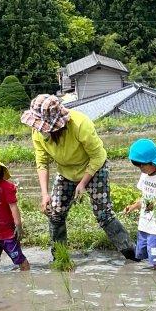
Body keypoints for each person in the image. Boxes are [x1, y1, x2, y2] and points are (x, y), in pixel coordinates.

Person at [21, 94, 137, 261]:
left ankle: (132, 255)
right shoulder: (37, 131)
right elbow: (42, 162)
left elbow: (97, 156)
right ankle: (60, 259)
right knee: (55, 213)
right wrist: (45, 193)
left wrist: (83, 183)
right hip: (66, 172)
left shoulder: (80, 124)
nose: (40, 129)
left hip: (94, 168)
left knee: (103, 215)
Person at [126, 138, 156, 275]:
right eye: (139, 166)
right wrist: (134, 206)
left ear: (153, 162)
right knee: (155, 257)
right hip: (145, 225)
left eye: (142, 165)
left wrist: (155, 202)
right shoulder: (145, 175)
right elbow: (144, 197)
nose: (141, 169)